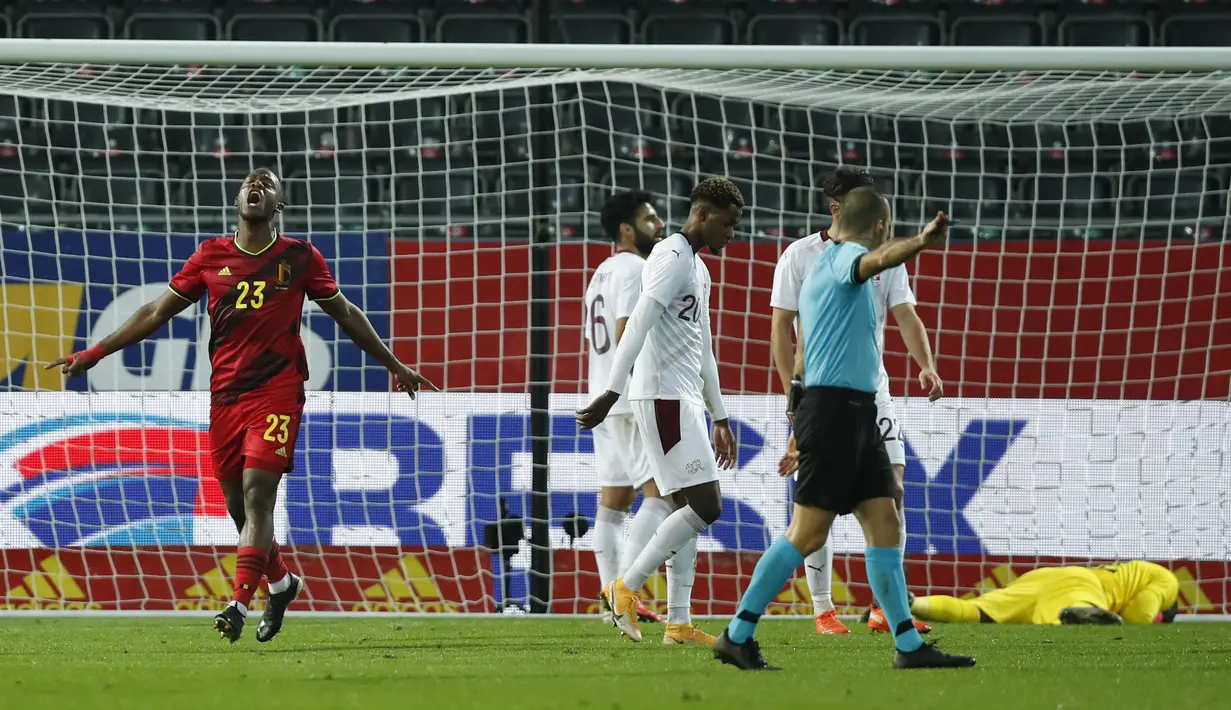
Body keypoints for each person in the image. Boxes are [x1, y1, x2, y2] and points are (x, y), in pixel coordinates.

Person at [48, 168, 437, 643]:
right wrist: (93, 354)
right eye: (249, 182)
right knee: (238, 508)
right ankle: (281, 583)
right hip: (225, 396)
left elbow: (346, 314)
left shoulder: (299, 258)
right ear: (237, 199)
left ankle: (237, 604)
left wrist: (394, 364)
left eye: (267, 184)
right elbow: (155, 312)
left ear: (279, 204)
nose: (256, 186)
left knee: (258, 492)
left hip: (277, 391)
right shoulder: (211, 255)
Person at [714, 187, 973, 671]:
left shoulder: (817, 275)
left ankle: (908, 646)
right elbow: (874, 265)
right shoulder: (847, 258)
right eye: (888, 229)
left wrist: (796, 416)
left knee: (884, 520)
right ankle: (737, 633)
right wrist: (922, 240)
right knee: (807, 533)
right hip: (835, 412)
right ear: (879, 227)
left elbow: (804, 354)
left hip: (851, 411)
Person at [771, 166, 939, 635]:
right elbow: (782, 331)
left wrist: (926, 363)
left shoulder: (885, 258)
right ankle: (822, 608)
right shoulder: (802, 256)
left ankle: (887, 608)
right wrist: (793, 398)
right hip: (822, 393)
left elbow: (905, 315)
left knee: (894, 491)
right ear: (836, 208)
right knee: (816, 508)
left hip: (873, 391)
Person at [577, 177, 745, 644]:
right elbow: (637, 324)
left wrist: (721, 416)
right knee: (705, 505)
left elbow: (704, 346)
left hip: (685, 397)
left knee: (681, 505)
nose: (733, 233)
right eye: (728, 224)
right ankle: (624, 589)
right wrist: (613, 391)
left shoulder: (699, 267)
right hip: (662, 398)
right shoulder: (669, 257)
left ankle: (678, 621)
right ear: (704, 215)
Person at [584, 190, 669, 629]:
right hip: (628, 397)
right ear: (626, 229)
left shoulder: (600, 273)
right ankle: (625, 594)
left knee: (614, 503)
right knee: (664, 496)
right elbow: (625, 335)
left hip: (601, 397)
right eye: (649, 218)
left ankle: (610, 597)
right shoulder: (637, 268)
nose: (658, 224)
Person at [912, 560, 1180, 626]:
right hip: (1080, 584)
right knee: (1083, 609)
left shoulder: (1131, 570)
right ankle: (1083, 610)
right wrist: (1151, 621)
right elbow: (1141, 611)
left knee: (976, 612)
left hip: (1042, 576)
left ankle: (908, 604)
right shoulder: (1167, 580)